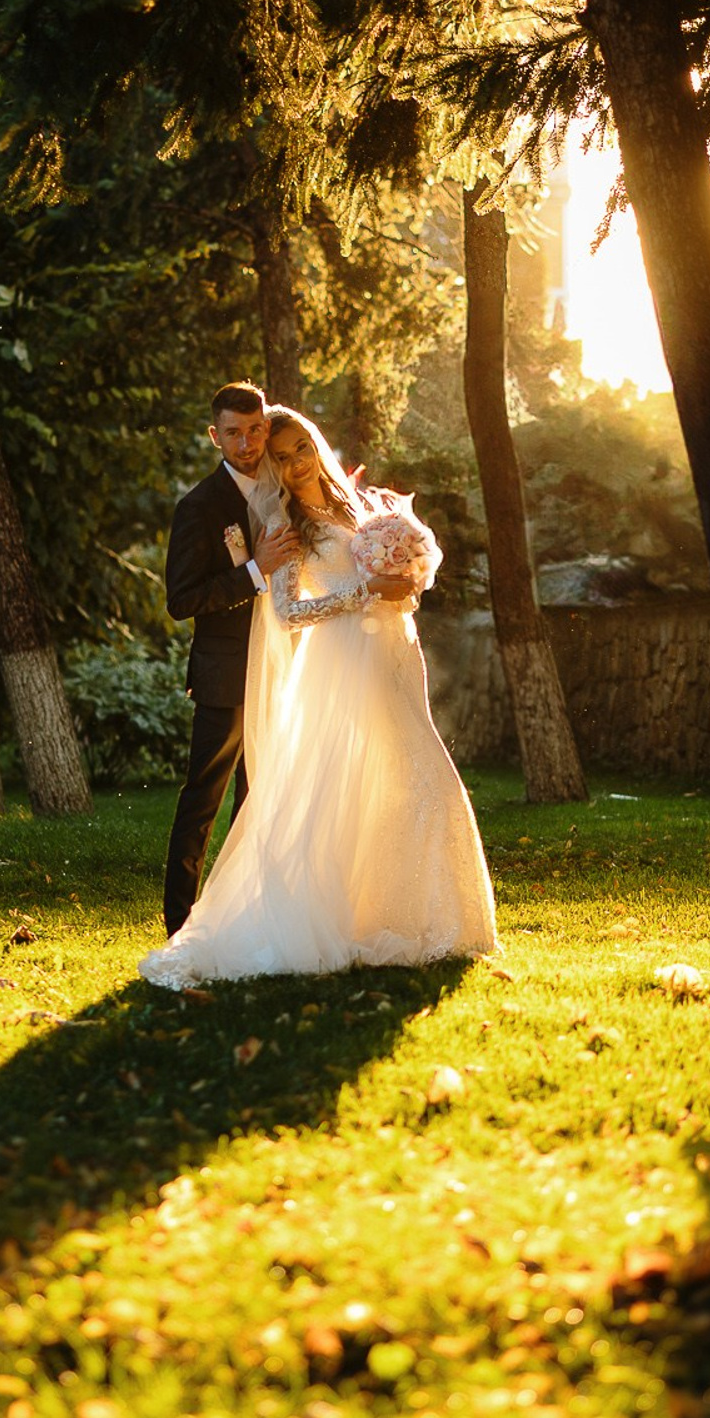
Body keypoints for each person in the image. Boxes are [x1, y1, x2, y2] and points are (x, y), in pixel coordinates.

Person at [141, 406, 498, 988]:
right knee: (369, 781)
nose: (294, 462)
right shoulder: (283, 523)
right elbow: (289, 611)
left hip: (394, 656)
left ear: (315, 443)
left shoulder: (360, 505)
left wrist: (405, 577)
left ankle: (419, 919)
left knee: (406, 779)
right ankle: (323, 918)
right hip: (344, 665)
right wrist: (364, 590)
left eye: (299, 448)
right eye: (280, 458)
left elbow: (394, 577)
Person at [159, 382, 300, 936]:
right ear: (216, 435)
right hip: (227, 674)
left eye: (256, 429)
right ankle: (180, 924)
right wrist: (254, 570)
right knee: (204, 798)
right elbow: (182, 599)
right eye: (234, 433)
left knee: (263, 796)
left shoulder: (288, 489)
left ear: (268, 426)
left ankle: (248, 919)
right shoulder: (198, 507)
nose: (247, 443)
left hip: (286, 666)